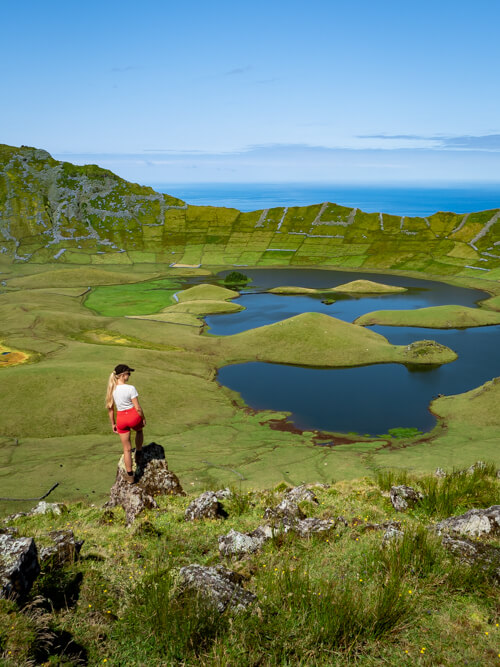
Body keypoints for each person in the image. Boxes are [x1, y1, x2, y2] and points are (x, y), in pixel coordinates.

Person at [105, 364, 146, 483]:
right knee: (139, 430)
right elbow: (137, 407)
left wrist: (113, 424)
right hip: (133, 416)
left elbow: (110, 409)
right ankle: (138, 451)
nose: (129, 376)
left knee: (126, 449)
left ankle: (130, 476)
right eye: (128, 373)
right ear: (122, 375)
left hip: (121, 419)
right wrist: (143, 418)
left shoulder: (112, 390)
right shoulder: (130, 388)